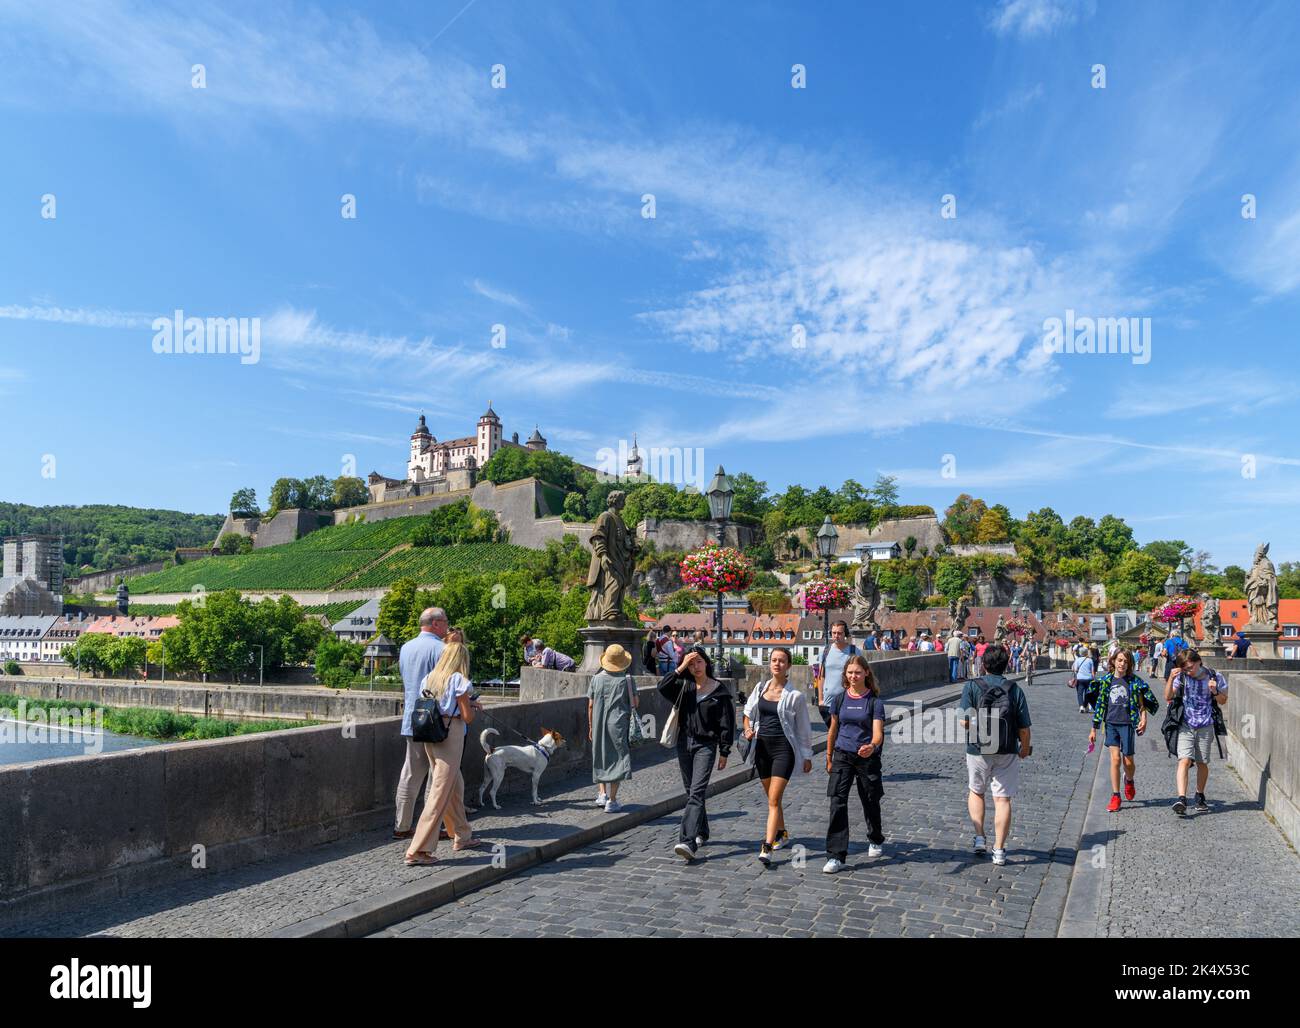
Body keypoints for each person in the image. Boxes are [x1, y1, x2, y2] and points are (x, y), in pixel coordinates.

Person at [404, 641, 482, 865]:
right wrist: (472, 706)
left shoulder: (429, 678)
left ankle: (462, 835)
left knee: (453, 786)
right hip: (451, 733)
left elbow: (435, 704)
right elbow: (467, 717)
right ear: (461, 660)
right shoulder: (459, 680)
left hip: (431, 732)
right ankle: (418, 850)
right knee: (440, 791)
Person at [659, 645, 735, 862]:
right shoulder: (684, 686)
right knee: (690, 790)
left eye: (699, 661)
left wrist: (725, 751)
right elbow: (661, 686)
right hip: (684, 743)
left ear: (706, 663)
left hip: (706, 746)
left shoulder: (719, 690)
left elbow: (727, 724)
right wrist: (680, 667)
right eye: (691, 663)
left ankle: (688, 841)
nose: (696, 666)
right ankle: (702, 831)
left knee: (696, 792)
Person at [959, 644, 1031, 866]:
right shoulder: (1014, 689)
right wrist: (1025, 748)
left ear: (984, 664)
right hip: (1007, 748)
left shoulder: (972, 686)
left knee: (977, 791)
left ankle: (980, 838)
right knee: (1002, 799)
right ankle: (999, 850)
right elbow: (1024, 728)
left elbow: (964, 721)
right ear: (1007, 663)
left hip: (979, 748)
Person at [742, 648, 813, 865]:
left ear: (788, 665)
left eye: (781, 661)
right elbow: (747, 713)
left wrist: (807, 755)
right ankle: (781, 832)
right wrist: (747, 729)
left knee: (773, 800)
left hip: (783, 751)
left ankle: (767, 846)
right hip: (762, 749)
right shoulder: (760, 688)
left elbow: (803, 729)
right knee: (773, 798)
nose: (777, 664)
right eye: (774, 660)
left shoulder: (795, 696)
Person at [822, 654, 887, 873]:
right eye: (850, 672)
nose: (853, 676)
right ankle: (836, 855)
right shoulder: (840, 699)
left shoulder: (875, 702)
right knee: (837, 801)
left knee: (870, 799)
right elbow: (833, 729)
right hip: (842, 754)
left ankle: (875, 837)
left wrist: (872, 746)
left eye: (857, 672)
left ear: (866, 673)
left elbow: (878, 734)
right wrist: (829, 755)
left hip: (866, 756)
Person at [394, 607, 448, 840]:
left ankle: (402, 826)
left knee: (410, 774)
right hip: (435, 722)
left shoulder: (406, 648)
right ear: (435, 624)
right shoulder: (443, 649)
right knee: (436, 776)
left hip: (412, 720)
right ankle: (430, 829)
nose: (447, 626)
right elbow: (447, 688)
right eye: (445, 622)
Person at [1087, 648, 1158, 813]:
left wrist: (1144, 719)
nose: (1122, 664)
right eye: (1119, 660)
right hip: (1111, 724)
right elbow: (1100, 706)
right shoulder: (1106, 681)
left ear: (1129, 664)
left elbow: (1142, 705)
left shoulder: (1134, 682)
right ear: (1113, 661)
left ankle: (1129, 780)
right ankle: (1116, 795)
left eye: (1126, 661)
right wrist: (1094, 729)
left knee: (1128, 762)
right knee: (1115, 760)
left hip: (1127, 724)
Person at [1166, 649, 1228, 815]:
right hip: (1186, 724)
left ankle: (1200, 795)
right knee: (1184, 760)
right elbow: (1168, 696)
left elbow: (1223, 700)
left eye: (1190, 667)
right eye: (1185, 668)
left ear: (1199, 662)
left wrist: (1215, 691)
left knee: (1202, 762)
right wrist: (1171, 678)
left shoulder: (1215, 676)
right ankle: (1182, 799)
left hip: (1206, 724)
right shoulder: (1181, 677)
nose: (1188, 671)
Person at [588, 643, 638, 812]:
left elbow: (590, 705)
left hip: (598, 722)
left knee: (601, 755)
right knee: (618, 758)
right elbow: (635, 703)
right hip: (619, 723)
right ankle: (612, 800)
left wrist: (590, 726)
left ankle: (602, 794)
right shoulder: (627, 680)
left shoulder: (596, 679)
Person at [814, 621, 858, 727]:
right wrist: (820, 700)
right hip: (828, 703)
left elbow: (859, 677)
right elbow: (821, 676)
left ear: (845, 634)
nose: (836, 636)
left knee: (845, 735)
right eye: (834, 633)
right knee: (832, 735)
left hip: (848, 701)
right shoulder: (825, 651)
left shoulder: (854, 652)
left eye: (839, 633)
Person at [1071, 646, 1095, 713]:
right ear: (1086, 652)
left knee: (1080, 693)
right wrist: (1093, 679)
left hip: (1080, 679)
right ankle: (1085, 706)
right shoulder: (1090, 660)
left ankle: (1081, 706)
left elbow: (1074, 670)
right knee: (1088, 694)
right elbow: (1092, 671)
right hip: (1089, 679)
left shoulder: (1077, 660)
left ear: (1080, 653)